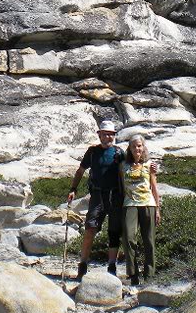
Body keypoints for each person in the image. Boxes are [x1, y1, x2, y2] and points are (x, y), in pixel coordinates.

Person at [67, 120, 125, 279]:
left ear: (113, 136)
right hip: (97, 196)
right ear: (99, 135)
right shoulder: (92, 152)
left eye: (110, 134)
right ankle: (83, 264)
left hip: (115, 196)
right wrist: (73, 189)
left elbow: (129, 171)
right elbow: (80, 171)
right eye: (104, 134)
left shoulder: (119, 153)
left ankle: (112, 266)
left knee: (114, 231)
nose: (107, 137)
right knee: (90, 228)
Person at [120, 134, 161, 286]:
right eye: (133, 146)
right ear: (129, 149)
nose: (137, 149)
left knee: (148, 240)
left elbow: (154, 188)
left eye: (139, 146)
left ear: (143, 147)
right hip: (129, 203)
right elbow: (120, 186)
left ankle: (149, 275)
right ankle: (133, 274)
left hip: (148, 203)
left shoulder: (150, 165)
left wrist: (157, 209)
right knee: (129, 238)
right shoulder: (123, 165)